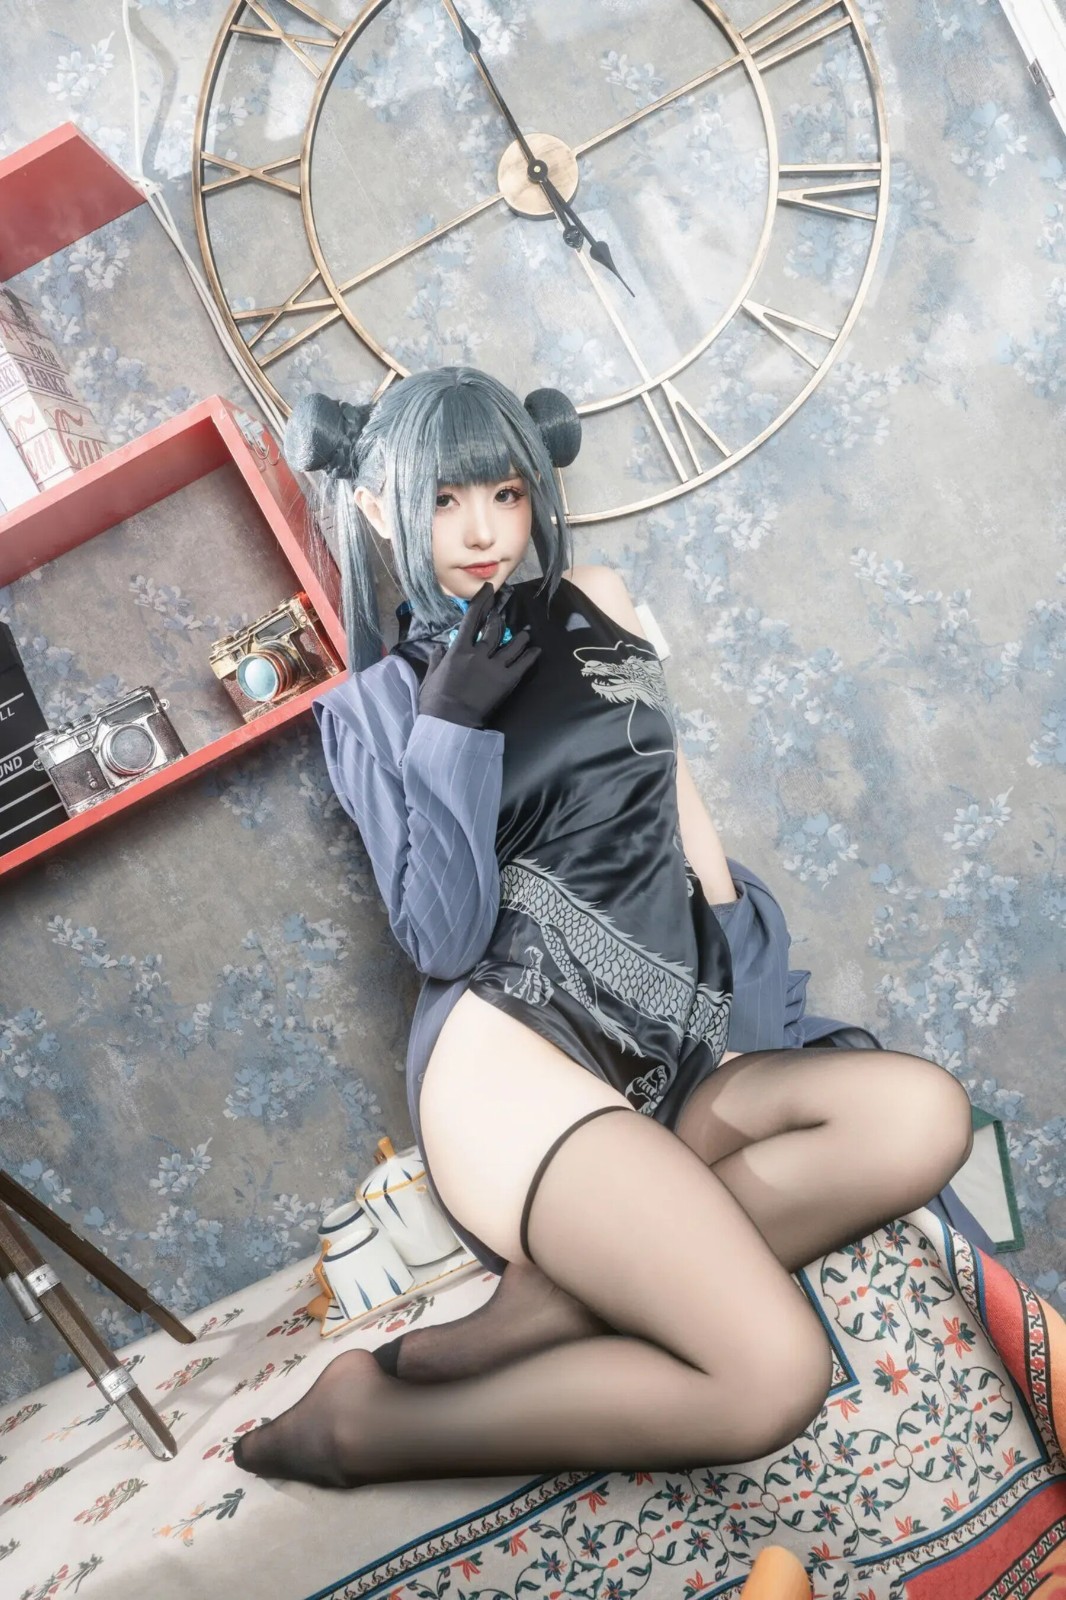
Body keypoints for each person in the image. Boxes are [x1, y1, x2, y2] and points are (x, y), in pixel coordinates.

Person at [233, 366, 974, 1489]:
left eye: (504, 493)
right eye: (443, 501)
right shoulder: (375, 708)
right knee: (771, 1377)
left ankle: (557, 1305)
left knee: (920, 1115)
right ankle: (358, 1430)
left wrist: (747, 1012)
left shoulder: (601, 598)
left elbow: (681, 816)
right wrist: (450, 724)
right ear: (379, 506)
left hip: (665, 1043)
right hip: (513, 1064)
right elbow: (442, 940)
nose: (483, 532)